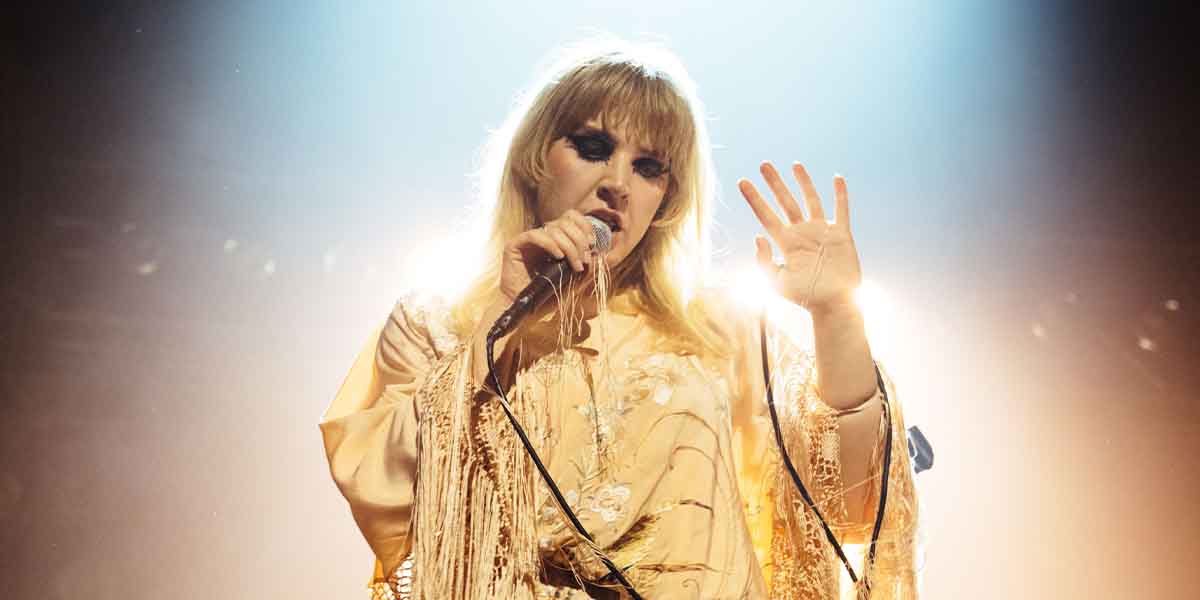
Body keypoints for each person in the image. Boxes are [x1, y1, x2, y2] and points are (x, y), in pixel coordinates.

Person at [319, 37, 921, 600]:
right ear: (534, 159)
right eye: (593, 148)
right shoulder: (438, 322)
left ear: (667, 200)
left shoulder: (720, 333)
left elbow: (849, 504)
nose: (618, 185)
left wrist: (836, 314)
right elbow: (387, 494)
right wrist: (505, 322)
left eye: (648, 166)